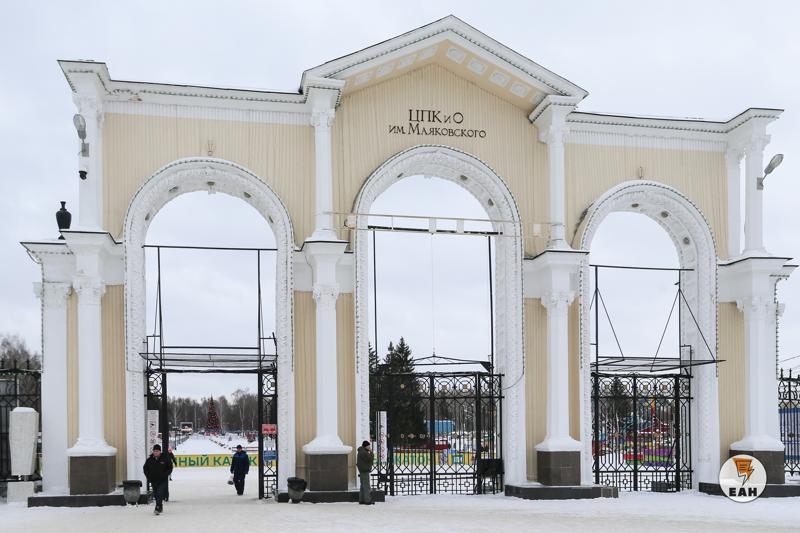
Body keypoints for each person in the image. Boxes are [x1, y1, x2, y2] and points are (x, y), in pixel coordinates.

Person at [143, 444, 173, 515]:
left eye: (157, 451)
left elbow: (170, 467)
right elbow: (145, 468)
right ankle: (160, 506)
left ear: (160, 451)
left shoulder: (165, 458)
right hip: (154, 480)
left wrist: (166, 474)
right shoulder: (149, 460)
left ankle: (157, 507)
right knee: (156, 494)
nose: (155, 452)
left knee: (160, 493)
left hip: (163, 480)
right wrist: (149, 476)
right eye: (154, 451)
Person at [356, 440, 374, 505]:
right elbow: (370, 459)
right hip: (365, 470)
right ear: (365, 446)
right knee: (366, 486)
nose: (369, 447)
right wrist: (371, 453)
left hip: (362, 470)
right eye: (368, 446)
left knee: (363, 486)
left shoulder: (361, 451)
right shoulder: (364, 452)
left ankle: (361, 500)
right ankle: (367, 500)